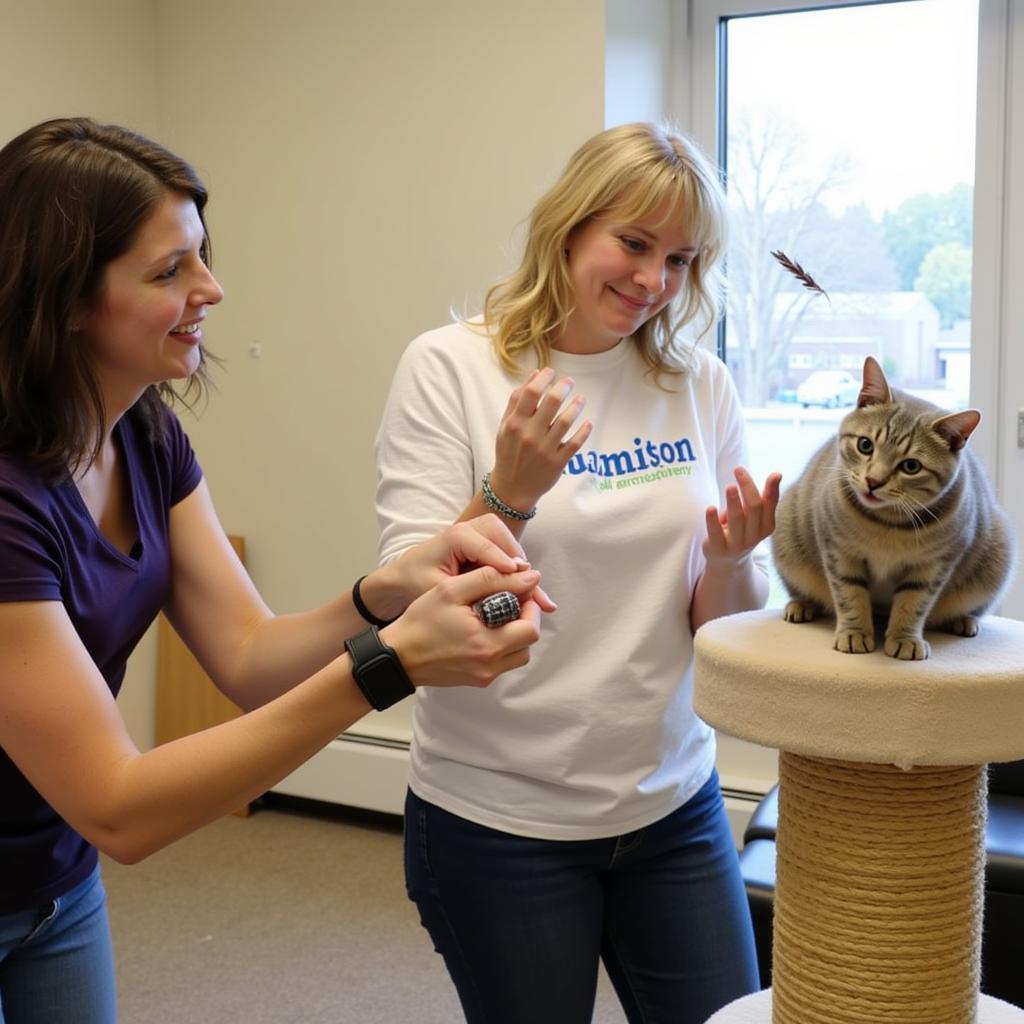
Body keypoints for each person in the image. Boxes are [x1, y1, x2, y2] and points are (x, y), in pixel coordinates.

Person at [0, 117, 550, 1024]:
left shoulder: (145, 433)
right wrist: (390, 666)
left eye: (202, 257)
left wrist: (385, 595)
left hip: (52, 882)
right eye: (167, 270)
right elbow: (119, 807)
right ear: (64, 299)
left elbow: (250, 656)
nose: (211, 289)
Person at [375, 121, 783, 1024]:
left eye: (679, 259)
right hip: (500, 821)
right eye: (633, 243)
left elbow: (719, 631)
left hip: (673, 802)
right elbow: (418, 607)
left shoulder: (697, 382)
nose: (652, 281)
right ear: (568, 227)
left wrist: (729, 559)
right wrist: (509, 493)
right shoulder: (453, 368)